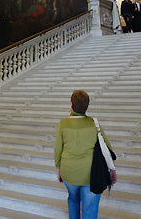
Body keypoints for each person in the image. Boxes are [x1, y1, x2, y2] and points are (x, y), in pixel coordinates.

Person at [54, 90, 116, 219]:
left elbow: (57, 151)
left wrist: (59, 169)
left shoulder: (63, 124)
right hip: (90, 175)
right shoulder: (94, 124)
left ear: (71, 105)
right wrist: (112, 169)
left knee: (72, 199)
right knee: (90, 207)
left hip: (68, 172)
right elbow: (107, 148)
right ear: (87, 106)